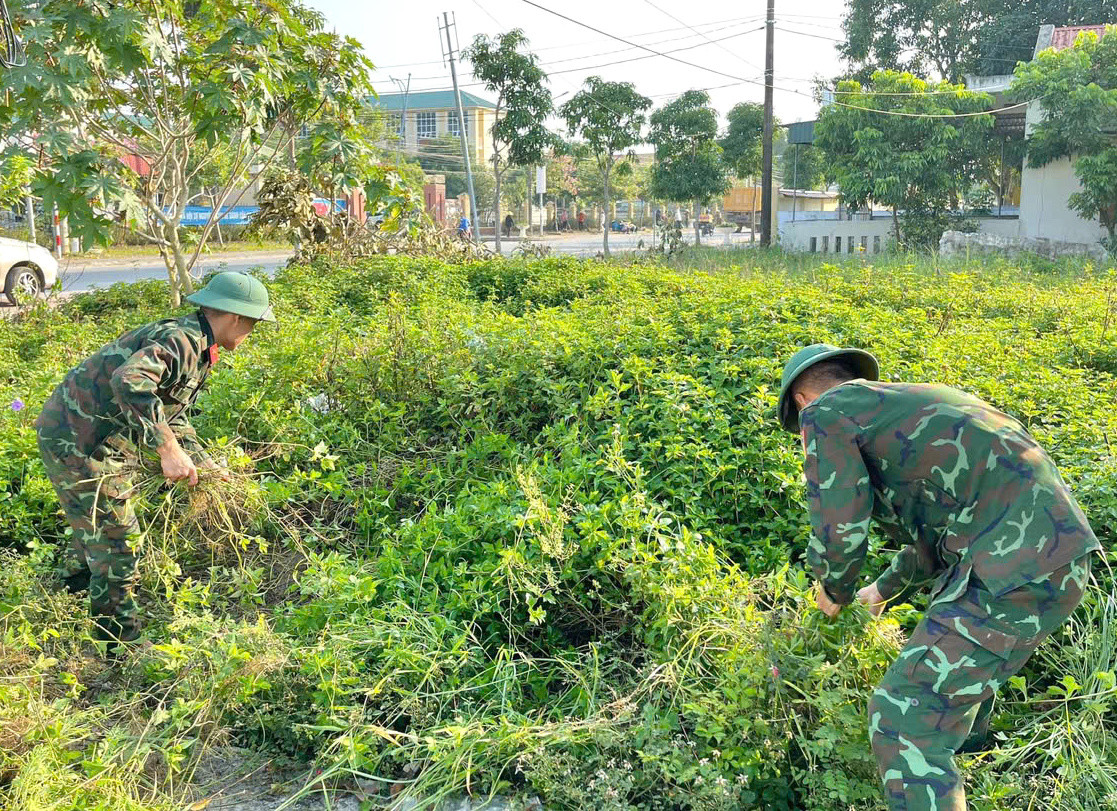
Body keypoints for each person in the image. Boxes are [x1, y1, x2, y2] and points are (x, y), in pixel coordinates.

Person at [776, 343, 1101, 811]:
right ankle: (965, 773)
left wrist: (833, 587)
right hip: (1056, 563)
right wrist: (881, 589)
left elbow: (838, 519)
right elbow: (941, 537)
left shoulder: (825, 413)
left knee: (904, 719)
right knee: (952, 683)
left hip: (1007, 573)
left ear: (803, 401)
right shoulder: (909, 407)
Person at [35, 272, 275, 651]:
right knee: (119, 540)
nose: (252, 333)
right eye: (253, 324)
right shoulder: (180, 340)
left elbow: (172, 414)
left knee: (96, 523)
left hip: (95, 438)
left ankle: (69, 594)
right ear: (234, 317)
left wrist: (201, 460)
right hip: (78, 440)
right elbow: (129, 381)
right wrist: (167, 450)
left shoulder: (198, 346)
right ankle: (119, 642)